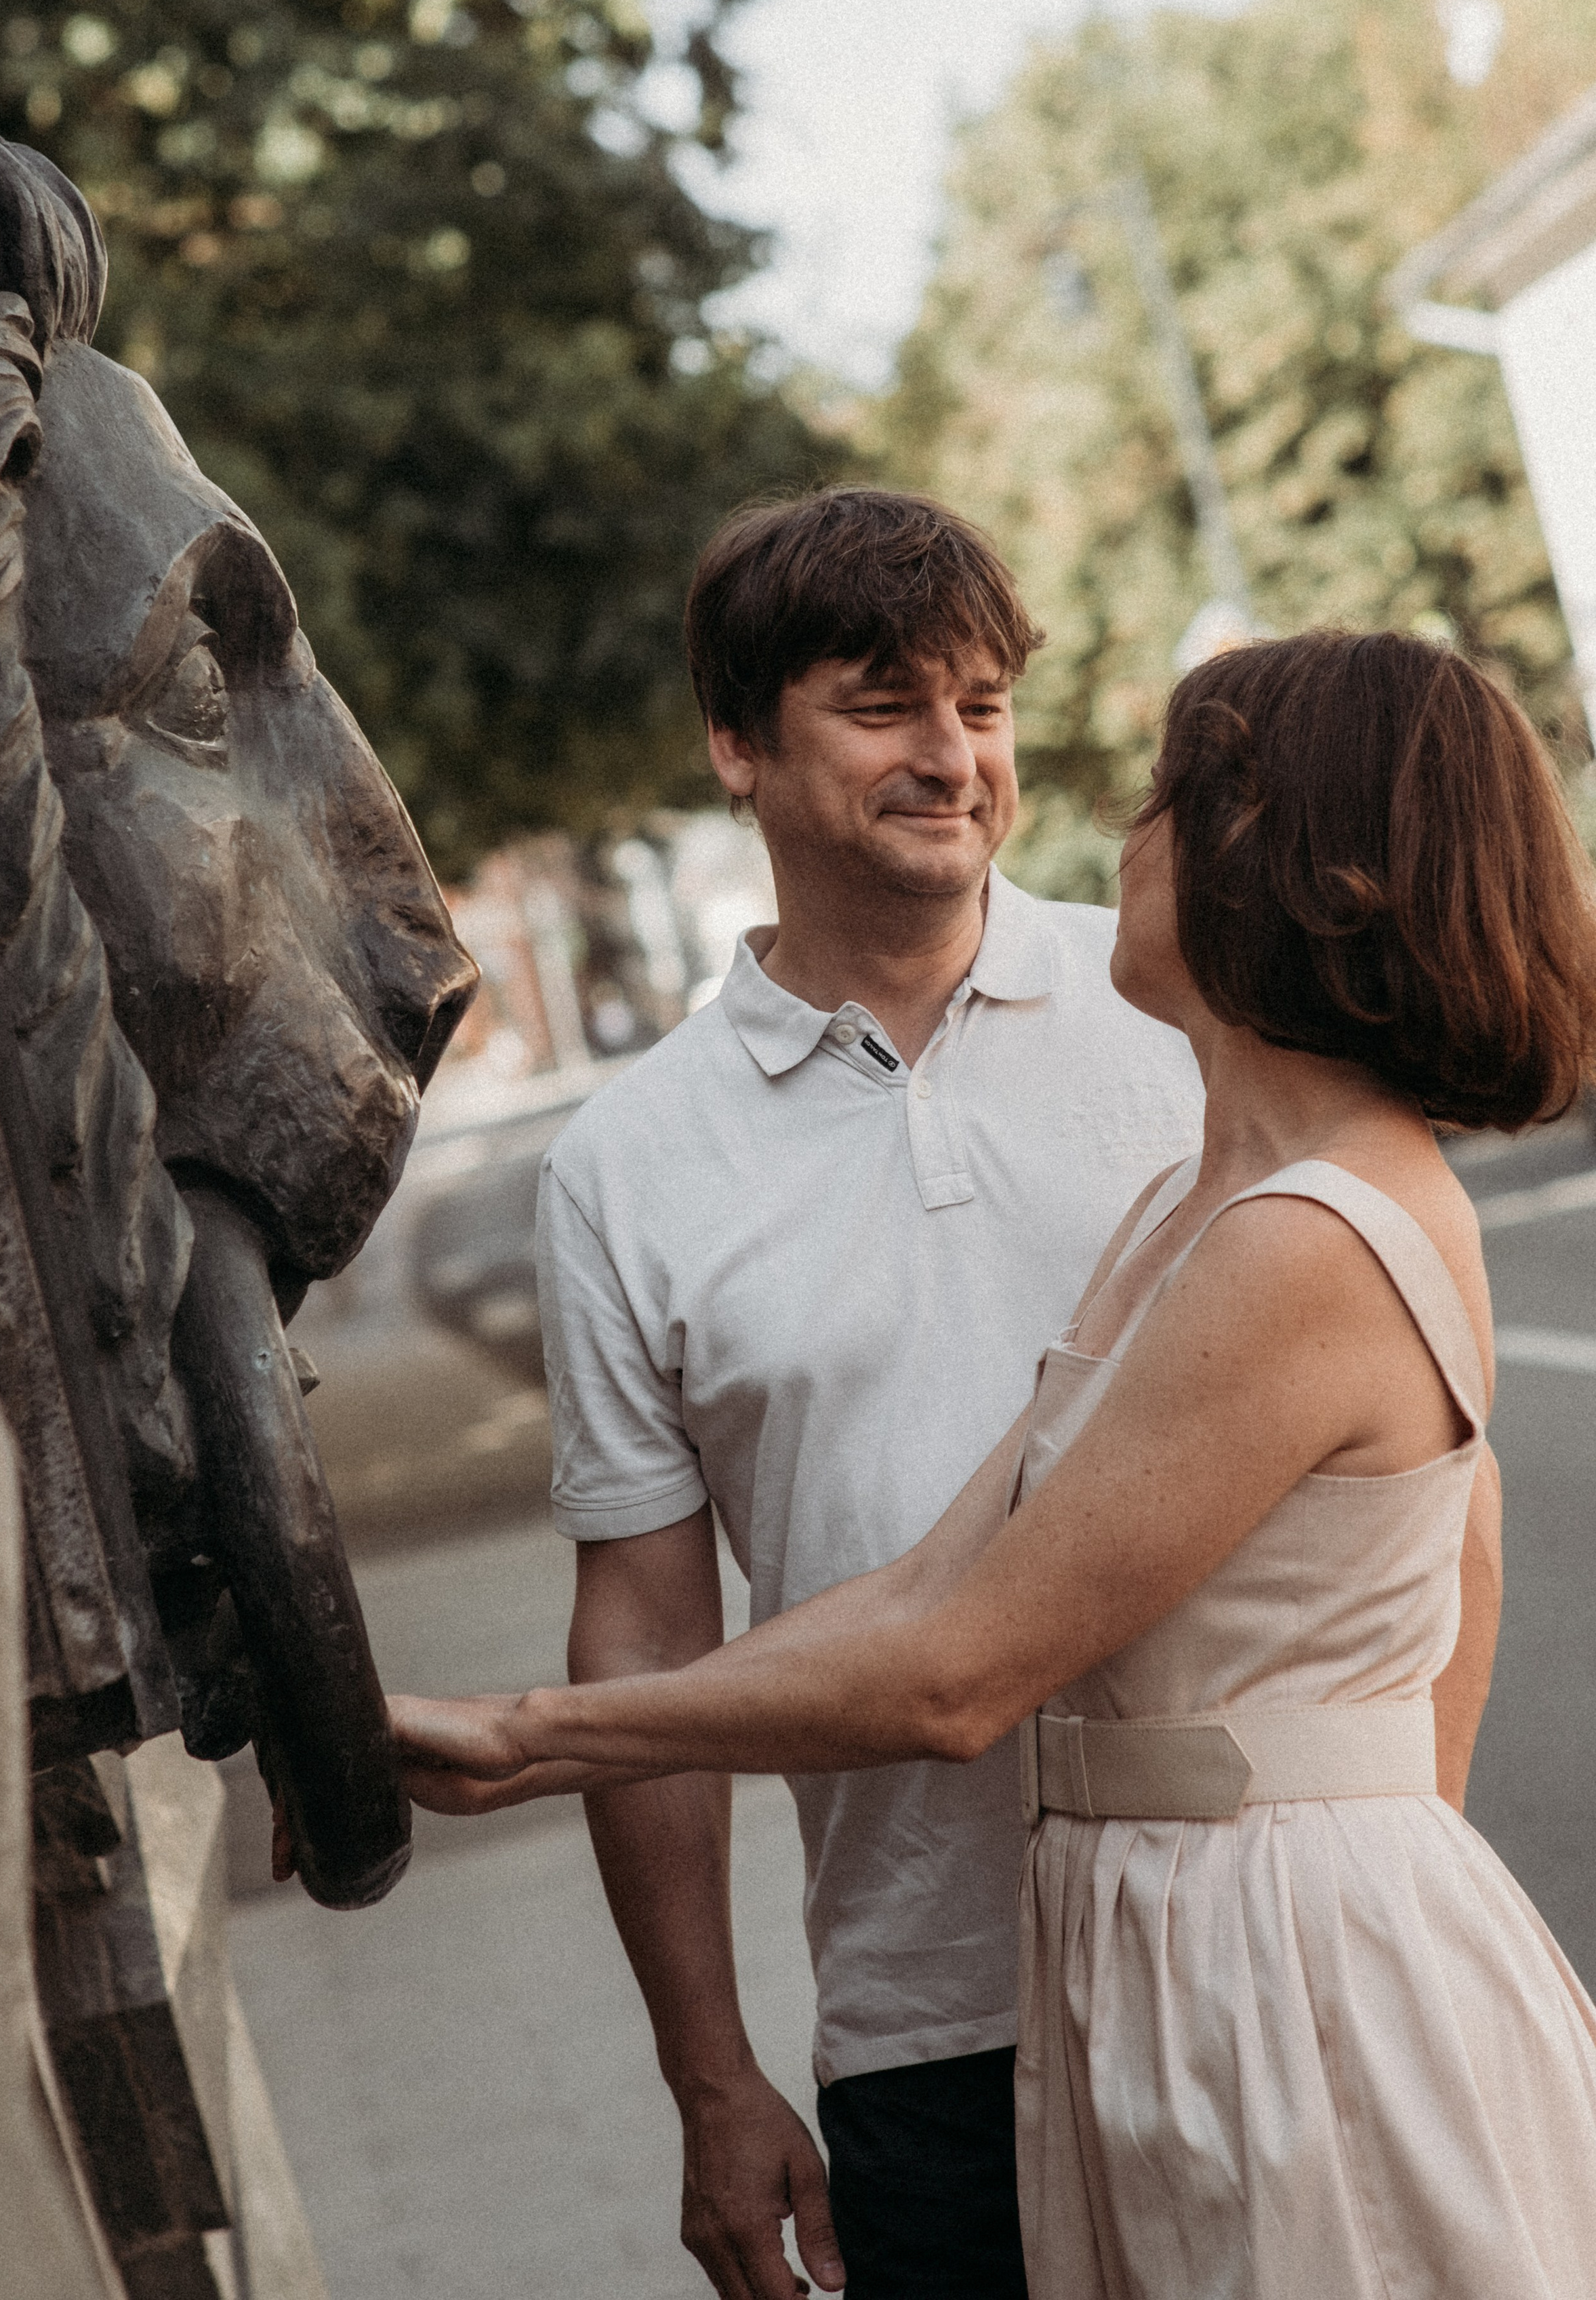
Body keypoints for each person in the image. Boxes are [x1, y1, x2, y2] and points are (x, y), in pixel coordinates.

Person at [394, 628, 1596, 2300]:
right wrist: (522, 1744)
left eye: (1178, 794)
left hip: (1282, 1969)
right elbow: (922, 1590)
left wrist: (526, 1737)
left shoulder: (1308, 1238)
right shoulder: (1184, 1213)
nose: (1127, 828)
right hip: (1143, 1966)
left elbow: (959, 1675)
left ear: (1288, 866)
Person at [420, 489, 1202, 2300]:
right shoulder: (628, 1166)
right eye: (885, 705)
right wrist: (712, 2078)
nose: (953, 757)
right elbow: (645, 1637)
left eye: (983, 705)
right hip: (922, 2033)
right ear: (738, 745)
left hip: (1234, 1953)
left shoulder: (1174, 1010)